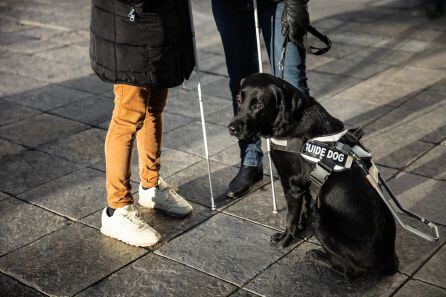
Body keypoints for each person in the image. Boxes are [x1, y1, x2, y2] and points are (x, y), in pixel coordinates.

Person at [90, 0, 195, 247]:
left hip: (161, 23)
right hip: (129, 25)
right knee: (128, 116)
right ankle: (117, 209)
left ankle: (150, 186)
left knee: (153, 109)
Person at [212, 0, 311, 198]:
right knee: (241, 85)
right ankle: (250, 161)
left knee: (293, 83)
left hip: (280, 3)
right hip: (230, 6)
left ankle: (301, 163)